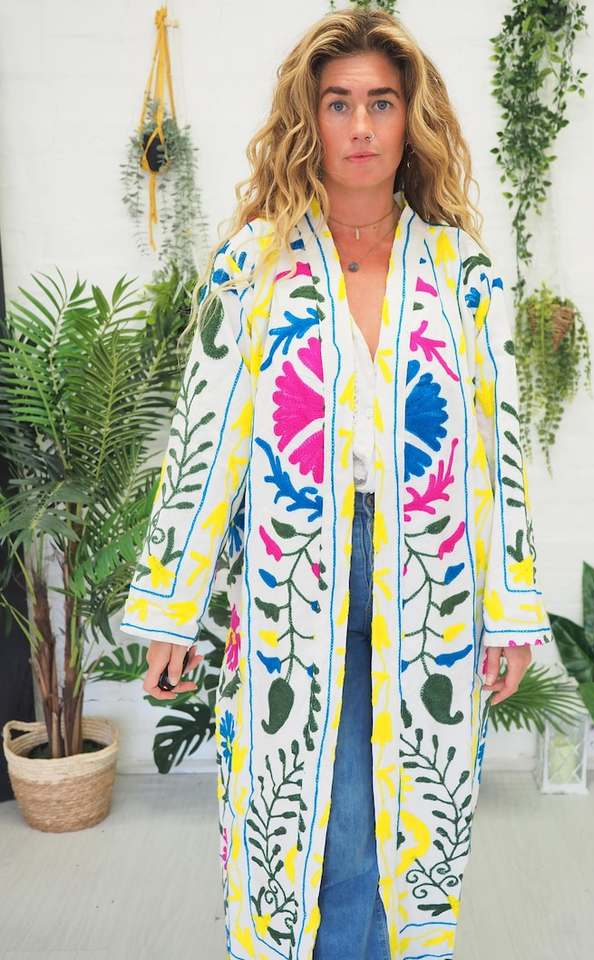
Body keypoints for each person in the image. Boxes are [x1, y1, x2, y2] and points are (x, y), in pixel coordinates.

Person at [120, 8, 555, 959]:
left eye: (382, 103)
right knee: (307, 826)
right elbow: (205, 439)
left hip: (430, 583)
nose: (361, 126)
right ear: (307, 119)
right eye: (339, 103)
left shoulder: (463, 275)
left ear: (411, 119)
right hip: (292, 578)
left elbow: (499, 451)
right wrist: (172, 609)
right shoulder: (256, 264)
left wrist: (511, 609)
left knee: (400, 827)